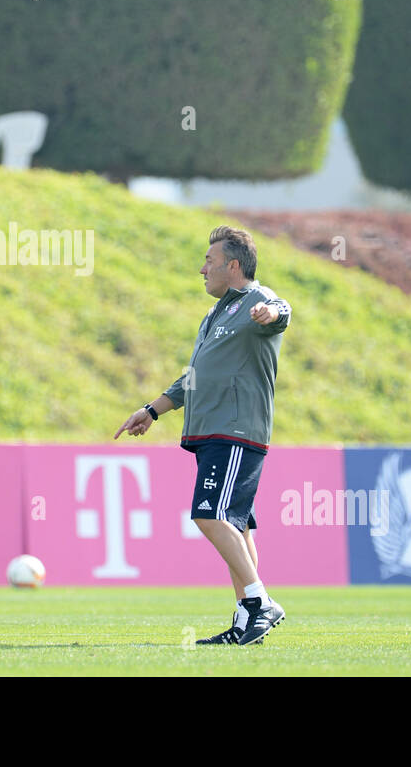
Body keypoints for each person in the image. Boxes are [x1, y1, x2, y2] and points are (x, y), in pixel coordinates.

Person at [115, 225, 291, 646]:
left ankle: (259, 602)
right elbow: (193, 377)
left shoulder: (257, 301)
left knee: (208, 514)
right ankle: (248, 618)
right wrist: (152, 411)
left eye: (209, 262)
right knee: (236, 525)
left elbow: (281, 310)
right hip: (214, 431)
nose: (202, 269)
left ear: (233, 265)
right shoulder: (216, 313)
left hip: (235, 429)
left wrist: (275, 313)